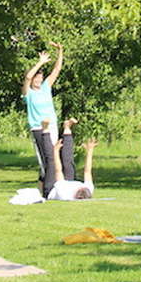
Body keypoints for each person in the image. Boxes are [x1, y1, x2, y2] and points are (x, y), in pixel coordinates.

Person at [23, 44, 64, 193]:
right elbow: (27, 77)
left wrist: (60, 51)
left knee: (52, 157)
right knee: (45, 160)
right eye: (37, 78)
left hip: (51, 126)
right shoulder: (29, 94)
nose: (39, 80)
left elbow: (56, 70)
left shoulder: (46, 87)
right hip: (38, 129)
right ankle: (47, 190)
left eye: (40, 78)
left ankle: (46, 189)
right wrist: (40, 62)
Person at [49, 128, 98, 201]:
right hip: (68, 181)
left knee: (49, 166)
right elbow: (87, 171)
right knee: (69, 165)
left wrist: (55, 151)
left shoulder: (63, 193)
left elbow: (58, 171)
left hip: (52, 189)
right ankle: (67, 131)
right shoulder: (89, 188)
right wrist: (90, 151)